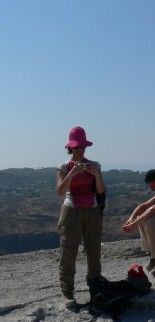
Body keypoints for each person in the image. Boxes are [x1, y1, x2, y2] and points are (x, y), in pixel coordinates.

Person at [56, 126, 106, 309]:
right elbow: (61, 191)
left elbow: (100, 191)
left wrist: (96, 174)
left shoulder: (95, 165)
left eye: (83, 147)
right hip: (71, 211)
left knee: (94, 251)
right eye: (77, 147)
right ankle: (67, 292)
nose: (80, 150)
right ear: (71, 148)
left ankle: (96, 289)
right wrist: (72, 173)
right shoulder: (63, 167)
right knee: (69, 251)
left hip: (92, 210)